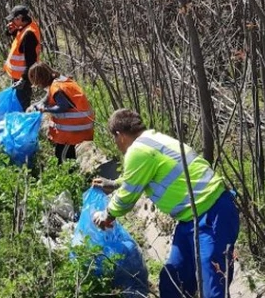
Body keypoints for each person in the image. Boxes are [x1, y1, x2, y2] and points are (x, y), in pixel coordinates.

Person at [91, 108, 239, 298]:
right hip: (191, 219)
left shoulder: (138, 151)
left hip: (212, 216)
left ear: (119, 135)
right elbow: (138, 177)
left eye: (114, 138)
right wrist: (114, 184)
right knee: (173, 278)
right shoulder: (154, 140)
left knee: (213, 287)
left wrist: (107, 215)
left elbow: (127, 196)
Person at [27, 62, 95, 163]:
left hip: (75, 129)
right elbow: (48, 97)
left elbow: (63, 106)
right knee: (63, 155)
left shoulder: (57, 88)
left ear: (42, 79)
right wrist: (36, 105)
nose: (39, 86)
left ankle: (69, 175)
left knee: (63, 158)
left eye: (38, 83)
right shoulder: (59, 81)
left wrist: (46, 109)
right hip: (79, 126)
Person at [3, 4, 41, 110]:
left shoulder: (29, 35)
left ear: (19, 18)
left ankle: (23, 123)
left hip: (23, 78)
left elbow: (31, 61)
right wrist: (11, 31)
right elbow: (20, 41)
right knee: (18, 103)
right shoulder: (25, 27)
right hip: (19, 77)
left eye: (14, 19)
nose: (12, 22)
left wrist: (23, 80)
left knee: (22, 105)